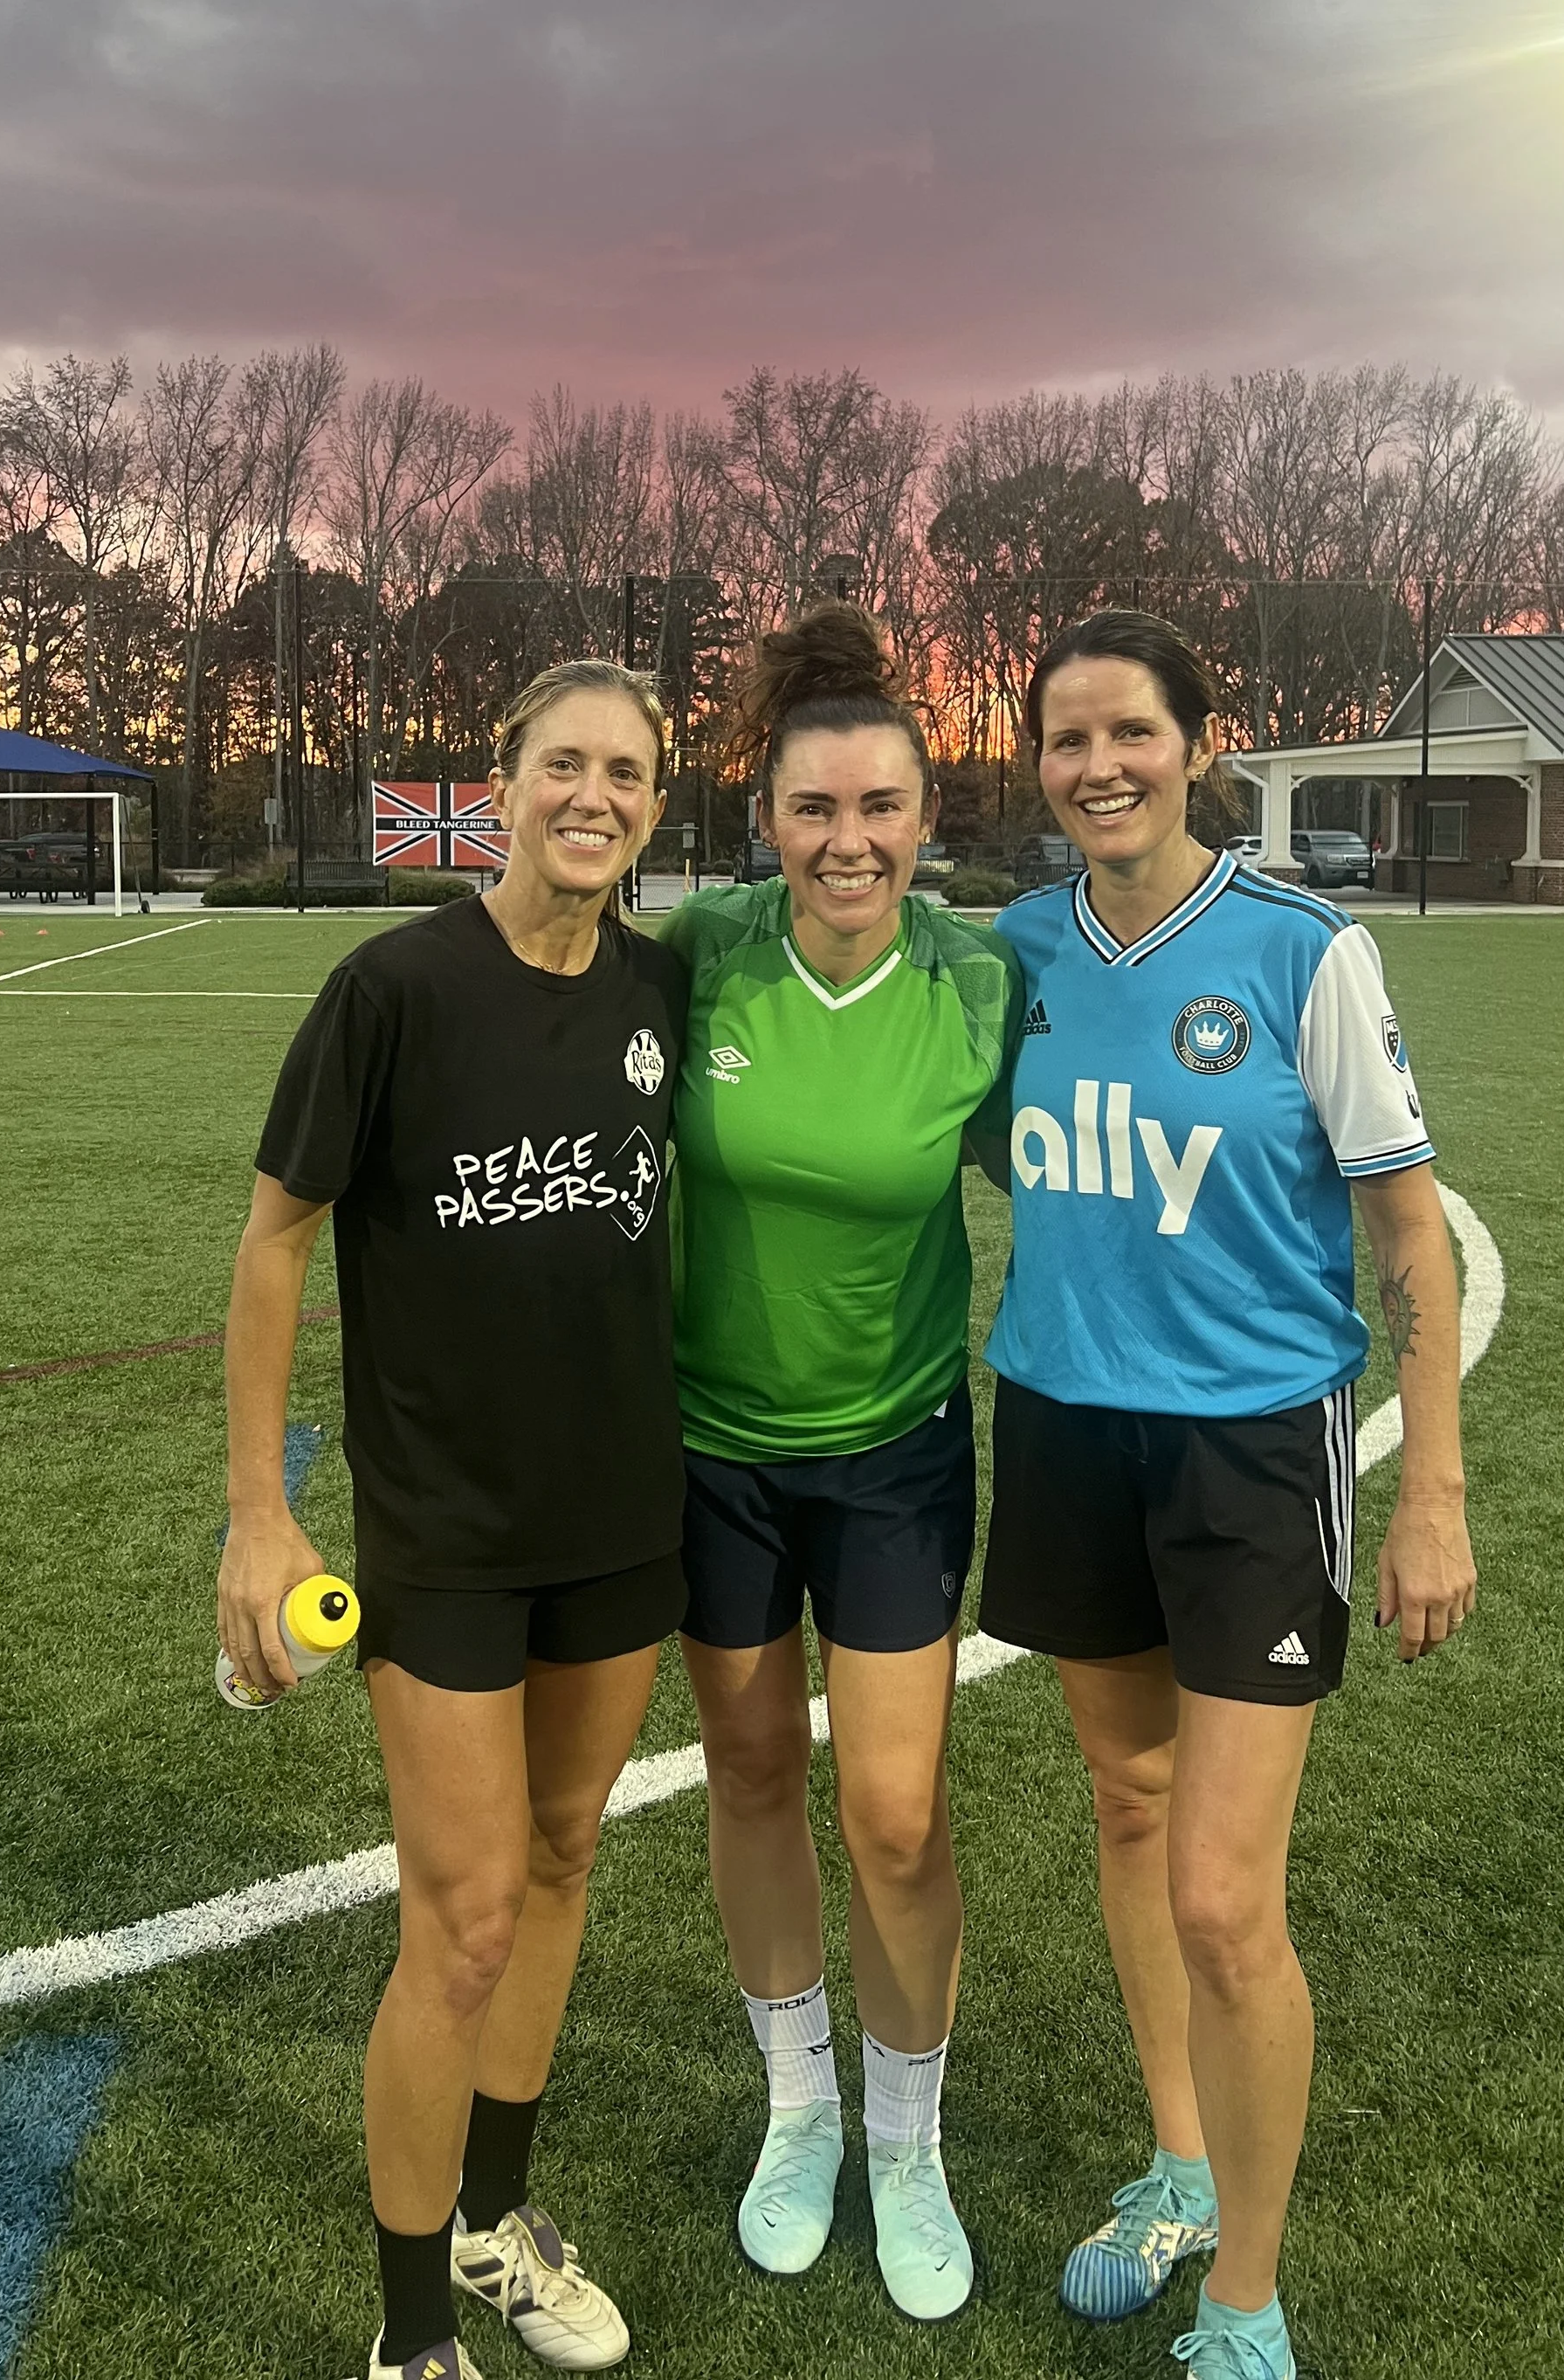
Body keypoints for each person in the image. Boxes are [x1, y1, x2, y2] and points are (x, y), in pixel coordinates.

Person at [977, 610, 1477, 2380]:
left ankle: (1245, 2296)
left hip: (1251, 1450)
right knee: (1126, 1804)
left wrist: (1431, 1488)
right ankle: (1178, 2169)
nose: (1098, 766)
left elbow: (1404, 1223)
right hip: (1061, 1423)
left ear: (1201, 742)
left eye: (1131, 731)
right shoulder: (1015, 951)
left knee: (1220, 1897)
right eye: (1066, 739)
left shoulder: (1300, 951)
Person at [217, 660, 688, 2380]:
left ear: (655, 802)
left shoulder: (662, 984)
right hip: (446, 1536)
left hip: (623, 1516)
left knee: (561, 1859)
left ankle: (498, 2222)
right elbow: (275, 1239)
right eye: (562, 763)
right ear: (500, 787)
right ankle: (409, 2334)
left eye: (624, 771)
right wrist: (259, 1514)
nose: (592, 795)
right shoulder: (394, 988)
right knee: (465, 1917)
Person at [654, 604, 1023, 2322]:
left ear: (926, 815)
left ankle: (904, 2137)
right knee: (747, 1772)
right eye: (814, 808)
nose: (848, 839)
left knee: (890, 1810)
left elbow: (1078, 1172)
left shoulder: (976, 985)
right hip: (710, 1455)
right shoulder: (701, 951)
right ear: (764, 819)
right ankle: (799, 2111)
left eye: (880, 806)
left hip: (892, 1454)